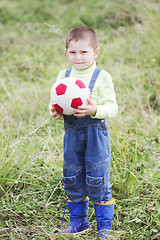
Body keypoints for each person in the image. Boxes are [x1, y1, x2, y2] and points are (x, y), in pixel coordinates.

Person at [50, 26, 118, 238]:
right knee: (72, 175)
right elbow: (56, 100)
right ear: (66, 52)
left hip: (95, 134)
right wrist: (55, 110)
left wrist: (95, 109)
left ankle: (104, 226)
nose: (78, 57)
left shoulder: (101, 76)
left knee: (97, 176)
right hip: (72, 134)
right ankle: (79, 222)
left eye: (84, 52)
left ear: (96, 52)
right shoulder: (64, 75)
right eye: (73, 52)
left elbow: (113, 108)